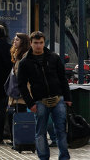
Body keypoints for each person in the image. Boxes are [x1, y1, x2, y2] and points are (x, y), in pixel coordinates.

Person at [17, 31, 72, 160]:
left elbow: (62, 78)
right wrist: (30, 103)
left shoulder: (53, 57)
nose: (38, 46)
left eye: (41, 43)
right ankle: (43, 157)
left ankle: (64, 157)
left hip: (58, 99)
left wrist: (68, 98)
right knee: (40, 132)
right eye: (35, 43)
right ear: (31, 43)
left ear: (44, 43)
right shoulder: (25, 62)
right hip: (39, 101)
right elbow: (22, 85)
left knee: (61, 131)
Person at [7, 33, 30, 141]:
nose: (14, 42)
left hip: (21, 92)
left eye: (17, 40)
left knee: (20, 115)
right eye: (14, 40)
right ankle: (16, 139)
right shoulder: (16, 54)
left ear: (23, 42)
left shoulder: (25, 55)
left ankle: (20, 139)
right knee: (14, 115)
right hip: (15, 91)